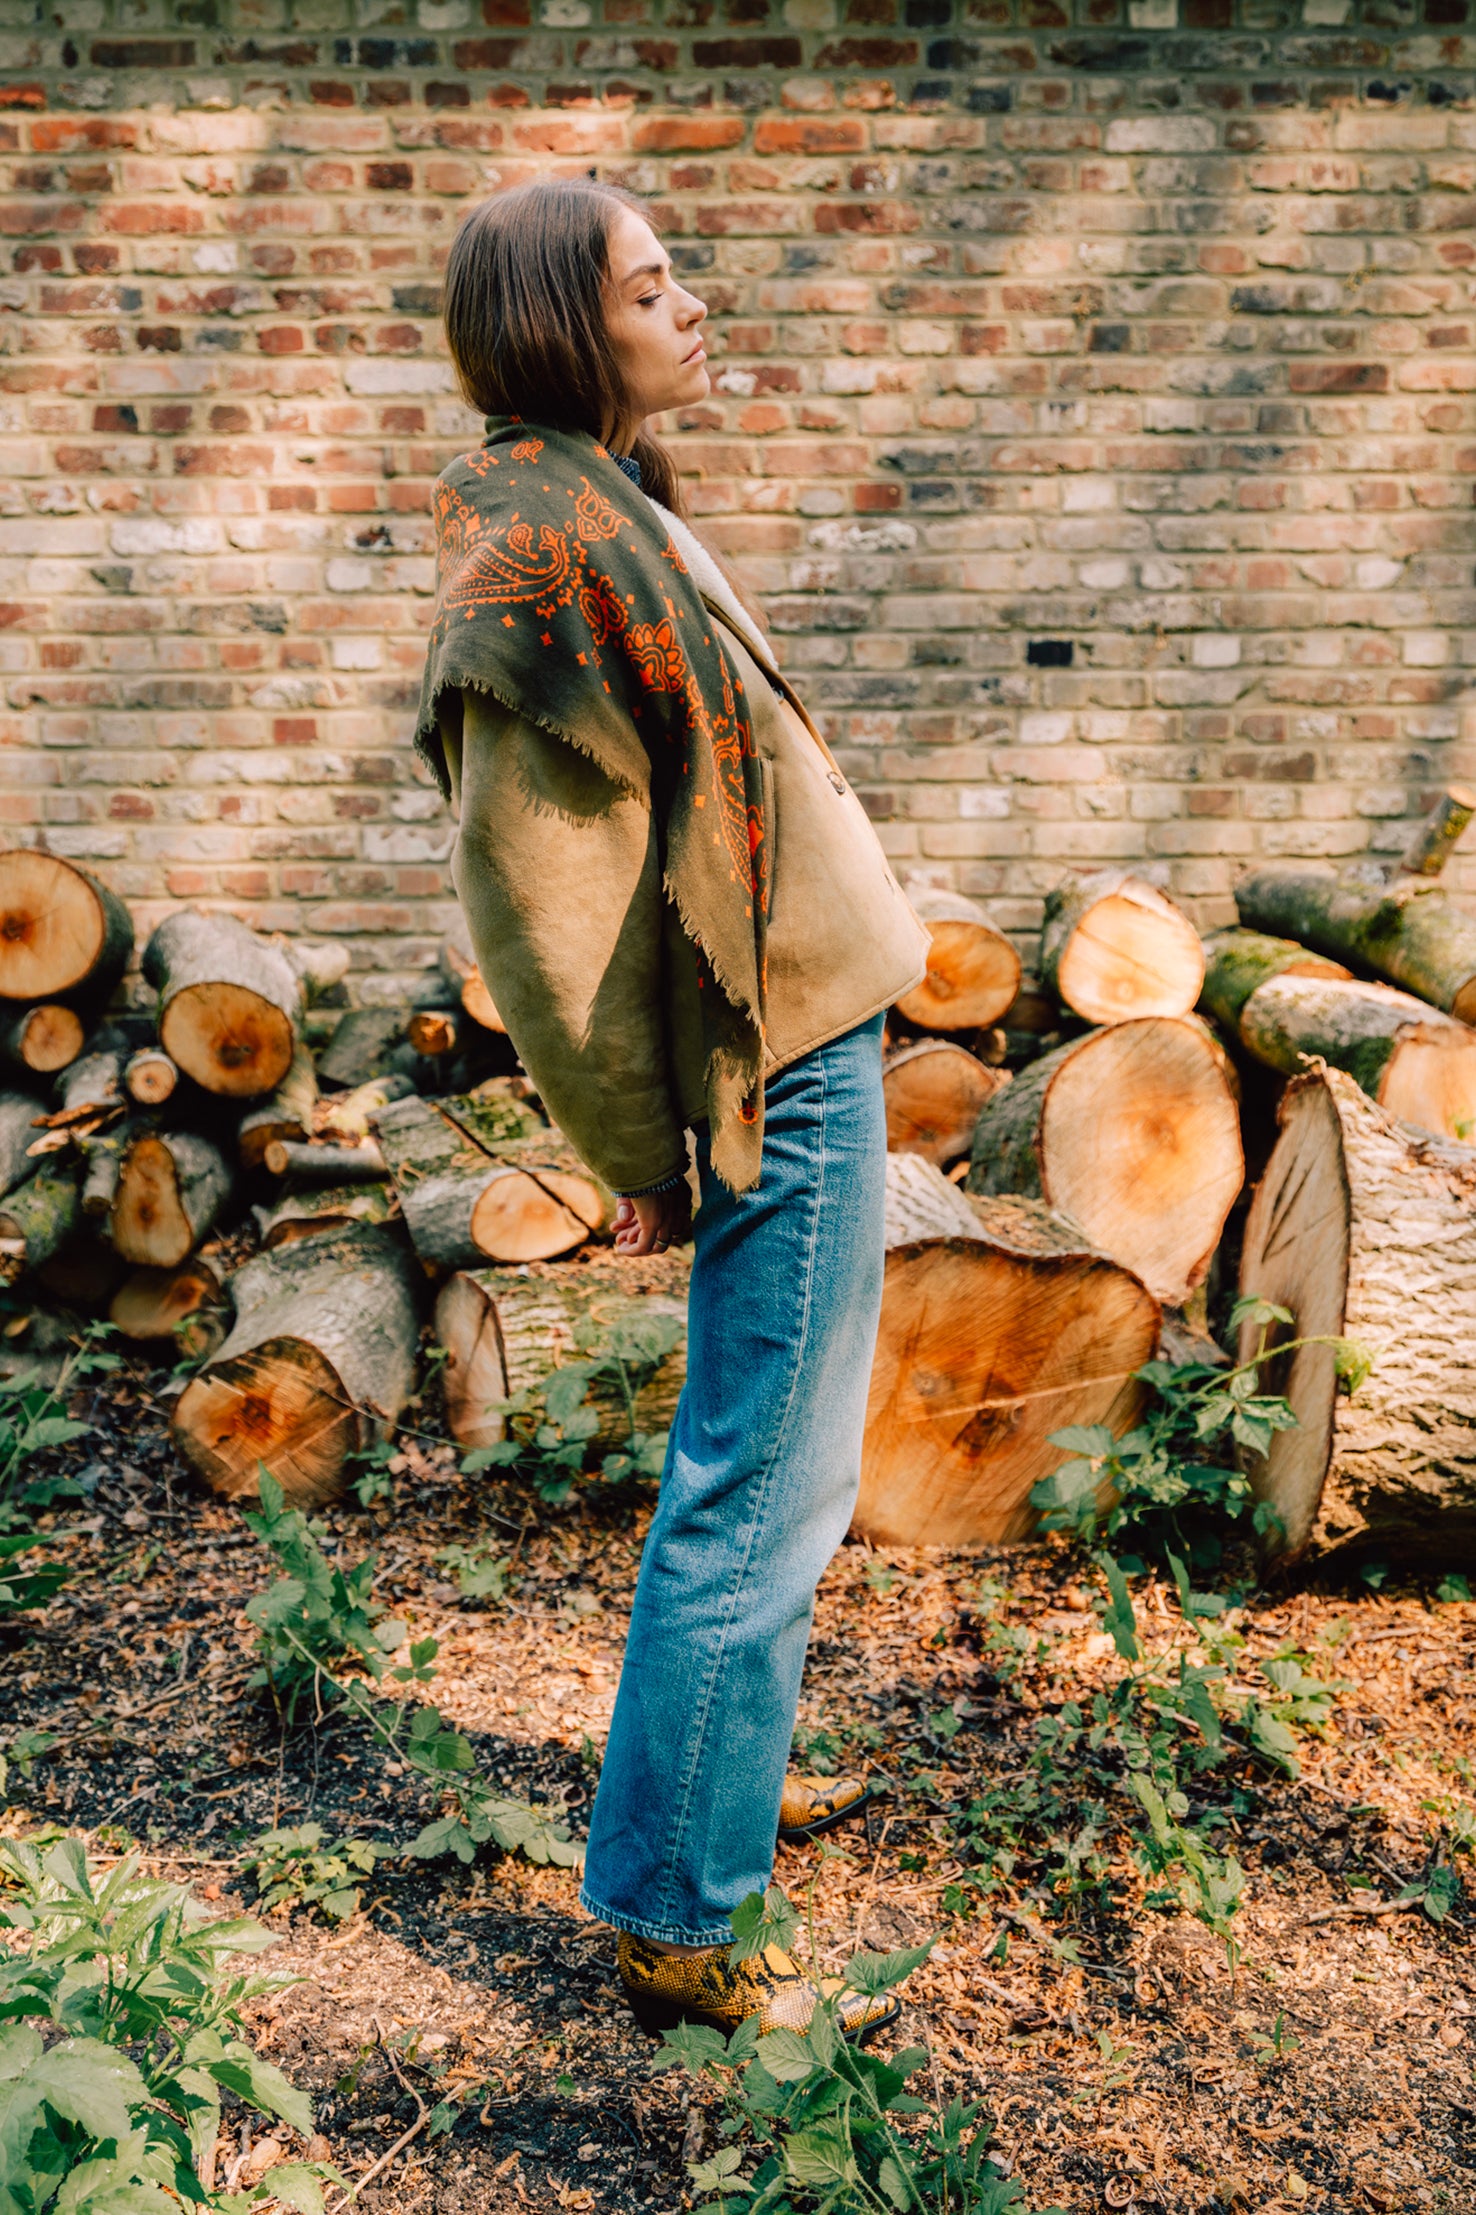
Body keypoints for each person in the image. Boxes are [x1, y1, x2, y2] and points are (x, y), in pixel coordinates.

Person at [415, 177, 930, 2039]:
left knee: (782, 1461)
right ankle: (677, 1915)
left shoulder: (594, 503)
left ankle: (708, 1772)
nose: (692, 304)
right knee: (762, 1478)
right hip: (765, 1074)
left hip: (800, 1035)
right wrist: (638, 1148)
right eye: (652, 285)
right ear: (570, 325)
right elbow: (541, 919)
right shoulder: (536, 563)